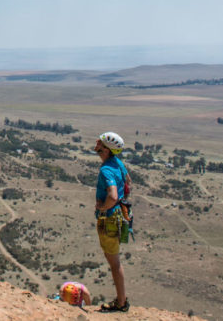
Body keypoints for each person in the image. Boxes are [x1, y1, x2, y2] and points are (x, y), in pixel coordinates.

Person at [94, 131, 130, 312]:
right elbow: (127, 183)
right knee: (114, 260)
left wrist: (103, 207)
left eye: (99, 142)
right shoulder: (118, 164)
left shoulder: (106, 169)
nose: (96, 144)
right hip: (118, 217)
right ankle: (121, 300)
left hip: (109, 218)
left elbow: (113, 195)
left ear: (106, 149)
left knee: (114, 262)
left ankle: (121, 302)